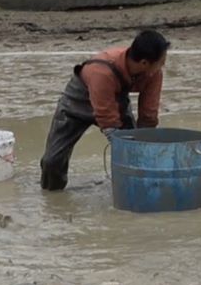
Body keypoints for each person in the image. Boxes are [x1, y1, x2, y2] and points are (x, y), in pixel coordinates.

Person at [40, 29, 169, 191]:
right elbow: (107, 119)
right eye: (162, 61)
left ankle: (131, 190)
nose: (163, 65)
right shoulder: (102, 71)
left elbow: (149, 113)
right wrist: (119, 142)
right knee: (52, 161)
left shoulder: (153, 73)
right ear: (144, 63)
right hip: (75, 105)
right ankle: (52, 197)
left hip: (114, 103)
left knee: (133, 151)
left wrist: (142, 146)